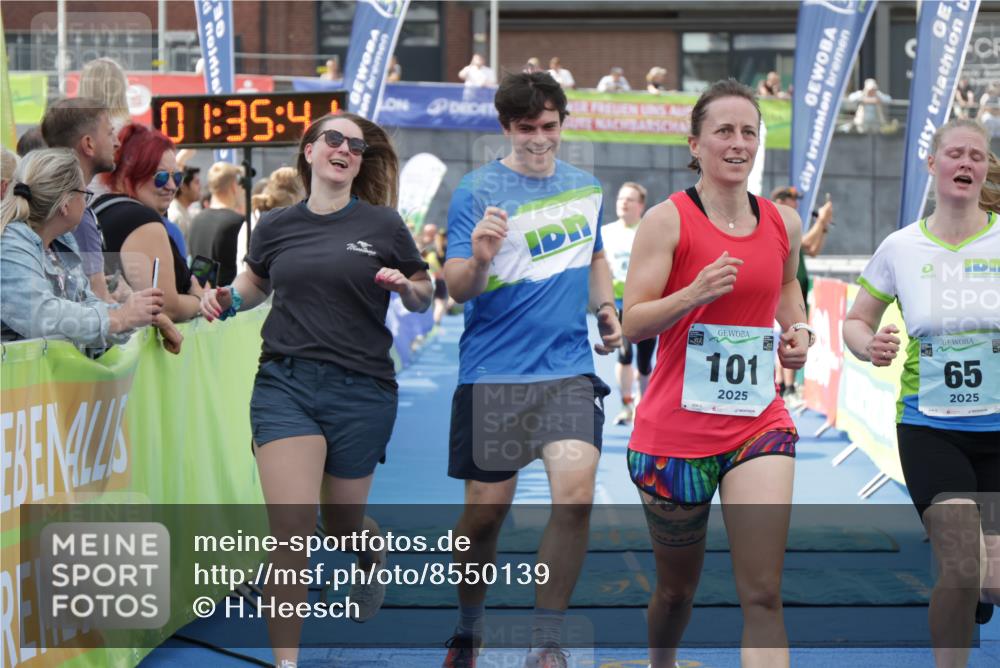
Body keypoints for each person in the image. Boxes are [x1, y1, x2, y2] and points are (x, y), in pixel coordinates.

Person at [200, 111, 432, 668]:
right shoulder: (277, 225)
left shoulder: (383, 225)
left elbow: (424, 291)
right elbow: (253, 286)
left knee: (343, 524)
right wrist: (226, 300)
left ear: (359, 162)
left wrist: (407, 287)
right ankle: (287, 663)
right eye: (334, 139)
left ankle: (369, 553)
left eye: (355, 145)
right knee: (292, 530)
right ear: (308, 151)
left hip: (362, 390)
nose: (345, 150)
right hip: (287, 383)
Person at [622, 78, 811, 668]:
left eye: (748, 132)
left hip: (758, 422)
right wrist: (692, 294)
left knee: (763, 592)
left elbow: (785, 288)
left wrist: (800, 333)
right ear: (695, 145)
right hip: (675, 433)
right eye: (723, 131)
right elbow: (632, 323)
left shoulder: (783, 223)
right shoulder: (667, 220)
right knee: (677, 591)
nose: (738, 143)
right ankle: (662, 662)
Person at [441, 70, 621, 667]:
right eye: (526, 129)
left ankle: (547, 642)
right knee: (486, 513)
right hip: (494, 374)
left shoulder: (587, 187)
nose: (539, 139)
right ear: (506, 128)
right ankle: (470, 625)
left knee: (575, 498)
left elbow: (595, 255)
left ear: (563, 123)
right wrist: (483, 257)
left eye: (549, 126)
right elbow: (458, 286)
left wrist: (605, 308)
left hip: (567, 371)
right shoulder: (475, 189)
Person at [843, 118, 999, 667]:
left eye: (976, 156)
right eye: (954, 153)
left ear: (985, 169)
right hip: (931, 425)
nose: (965, 163)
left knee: (988, 581)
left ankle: (980, 591)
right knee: (959, 564)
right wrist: (869, 347)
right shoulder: (901, 247)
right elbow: (855, 321)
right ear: (931, 165)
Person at [0, 148, 179, 356]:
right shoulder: (9, 242)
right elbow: (40, 316)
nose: (86, 204)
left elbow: (88, 307)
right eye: (85, 194)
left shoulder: (62, 242)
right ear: (65, 204)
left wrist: (138, 315)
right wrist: (121, 318)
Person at [94, 124, 203, 322]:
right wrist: (198, 299)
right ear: (132, 173)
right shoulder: (142, 221)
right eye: (161, 177)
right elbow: (167, 309)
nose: (171, 186)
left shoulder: (99, 208)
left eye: (177, 177)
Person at [40, 96, 120, 303]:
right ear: (88, 144)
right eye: (110, 133)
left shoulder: (41, 206)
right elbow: (98, 300)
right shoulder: (78, 217)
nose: (117, 143)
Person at [770, 185, 834, 396]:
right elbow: (804, 242)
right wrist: (821, 221)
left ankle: (786, 386)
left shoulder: (790, 224)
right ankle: (785, 385)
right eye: (793, 198)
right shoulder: (776, 222)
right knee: (786, 338)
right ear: (780, 201)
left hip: (796, 293)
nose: (797, 204)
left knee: (790, 339)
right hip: (781, 296)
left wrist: (822, 227)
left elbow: (813, 249)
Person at [603, 182, 656, 425]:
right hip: (616, 303)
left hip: (644, 304)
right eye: (620, 198)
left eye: (630, 199)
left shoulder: (648, 232)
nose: (623, 203)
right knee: (624, 354)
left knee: (644, 360)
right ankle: (626, 403)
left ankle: (642, 405)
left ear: (641, 206)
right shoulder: (605, 233)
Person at [188, 162, 246, 287]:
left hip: (199, 297)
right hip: (227, 298)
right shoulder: (237, 222)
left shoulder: (196, 220)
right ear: (234, 186)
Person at [168, 166, 201, 243]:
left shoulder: (183, 212)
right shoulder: (177, 216)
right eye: (196, 183)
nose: (200, 187)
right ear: (183, 187)